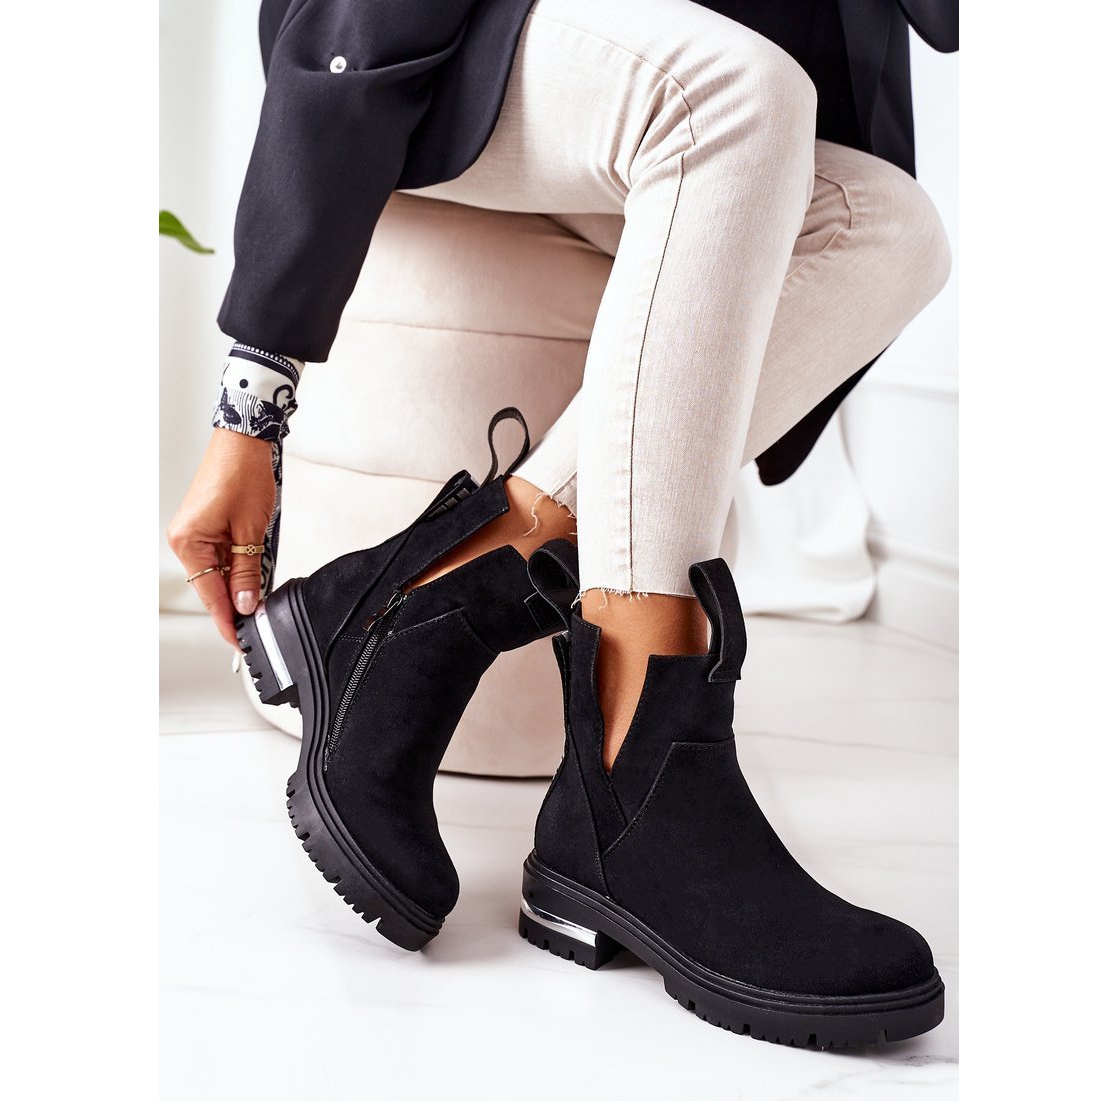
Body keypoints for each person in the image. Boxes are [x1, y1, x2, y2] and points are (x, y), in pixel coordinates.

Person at [169, 0, 956, 1046]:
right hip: (454, 38)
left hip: (681, 49)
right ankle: (638, 787)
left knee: (891, 227)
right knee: (732, 94)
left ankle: (412, 608)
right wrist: (251, 409)